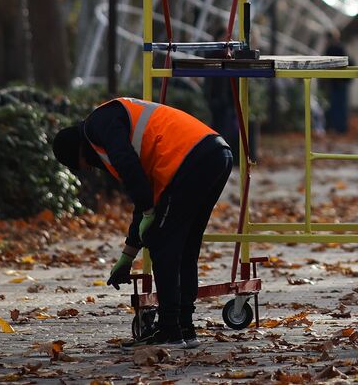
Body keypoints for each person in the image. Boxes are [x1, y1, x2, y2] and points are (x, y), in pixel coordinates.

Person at [51, 98, 233, 348]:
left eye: (84, 165)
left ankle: (171, 330)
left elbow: (130, 170)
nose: (91, 169)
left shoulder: (98, 125)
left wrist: (148, 211)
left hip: (189, 159)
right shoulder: (111, 128)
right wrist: (127, 256)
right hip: (215, 153)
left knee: (163, 246)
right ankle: (184, 327)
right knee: (185, 245)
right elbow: (142, 197)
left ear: (79, 151)